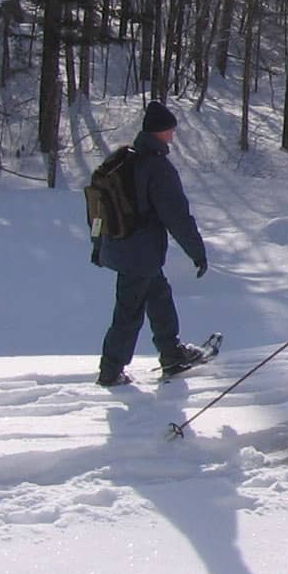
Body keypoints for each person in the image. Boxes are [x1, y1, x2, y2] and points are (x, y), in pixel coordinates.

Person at [95, 100, 211, 386]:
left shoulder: (125, 159)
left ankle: (171, 353)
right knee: (129, 312)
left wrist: (99, 247)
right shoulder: (157, 168)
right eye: (170, 130)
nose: (172, 135)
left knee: (159, 296)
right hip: (140, 253)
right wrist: (197, 252)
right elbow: (177, 216)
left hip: (125, 248)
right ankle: (111, 371)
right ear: (159, 132)